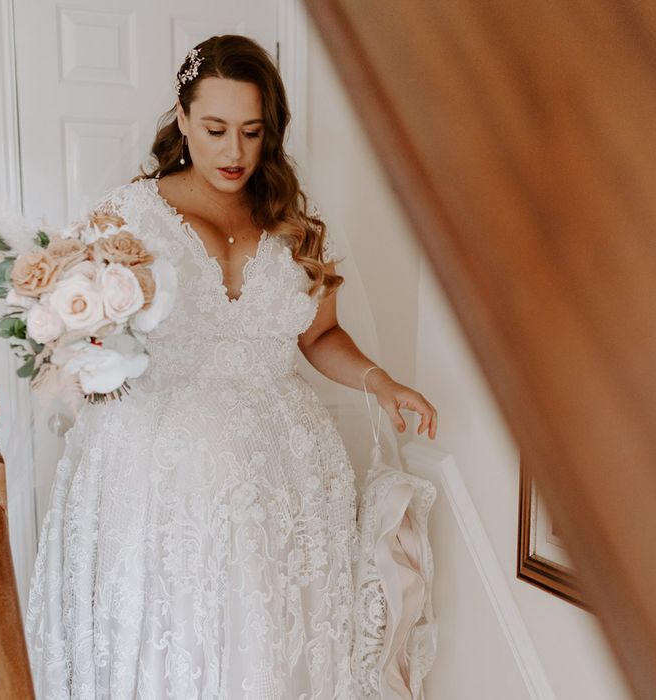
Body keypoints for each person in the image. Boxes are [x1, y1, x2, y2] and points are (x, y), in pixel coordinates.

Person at [25, 34, 437, 698]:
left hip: (283, 483)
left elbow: (319, 334)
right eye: (215, 129)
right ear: (182, 118)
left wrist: (379, 381)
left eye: (252, 131)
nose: (234, 152)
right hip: (162, 485)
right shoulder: (128, 217)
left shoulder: (291, 222)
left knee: (270, 646)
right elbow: (82, 334)